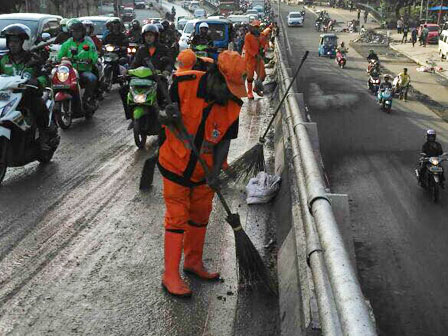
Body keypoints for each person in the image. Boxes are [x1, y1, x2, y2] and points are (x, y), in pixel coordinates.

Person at [157, 50, 247, 297]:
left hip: (203, 170)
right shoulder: (184, 84)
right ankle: (170, 275)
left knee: (200, 215)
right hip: (175, 164)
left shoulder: (233, 105)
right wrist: (168, 116)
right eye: (228, 88)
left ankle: (193, 262)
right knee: (177, 217)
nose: (230, 94)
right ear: (217, 77)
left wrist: (215, 173)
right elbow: (159, 115)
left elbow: (225, 141)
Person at [0, 24, 53, 152]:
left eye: (16, 41)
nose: (12, 44)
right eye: (10, 41)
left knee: (38, 105)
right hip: (6, 96)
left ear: (22, 42)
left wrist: (36, 82)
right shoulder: (3, 59)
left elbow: (44, 76)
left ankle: (43, 136)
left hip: (27, 95)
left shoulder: (33, 59)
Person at [120, 24, 173, 121]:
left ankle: (163, 113)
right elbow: (135, 63)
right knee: (124, 90)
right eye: (147, 35)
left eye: (151, 35)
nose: (149, 38)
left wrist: (166, 71)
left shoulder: (163, 49)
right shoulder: (141, 50)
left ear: (156, 36)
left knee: (164, 90)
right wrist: (127, 72)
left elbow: (169, 63)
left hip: (158, 78)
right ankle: (131, 116)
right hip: (142, 79)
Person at [58, 19, 98, 110]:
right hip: (69, 71)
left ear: (82, 32)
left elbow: (94, 56)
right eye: (73, 31)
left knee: (92, 78)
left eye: (78, 31)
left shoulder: (88, 44)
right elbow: (59, 56)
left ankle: (86, 99)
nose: (76, 33)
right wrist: (57, 60)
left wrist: (90, 60)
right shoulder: (67, 44)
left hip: (83, 70)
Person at [244, 20, 266, 99]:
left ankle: (256, 88)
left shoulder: (261, 35)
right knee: (250, 76)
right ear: (252, 27)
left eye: (257, 27)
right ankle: (249, 92)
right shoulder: (248, 36)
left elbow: (264, 45)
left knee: (262, 75)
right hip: (250, 58)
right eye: (255, 27)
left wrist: (263, 49)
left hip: (258, 58)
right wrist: (254, 54)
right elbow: (247, 48)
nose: (256, 28)